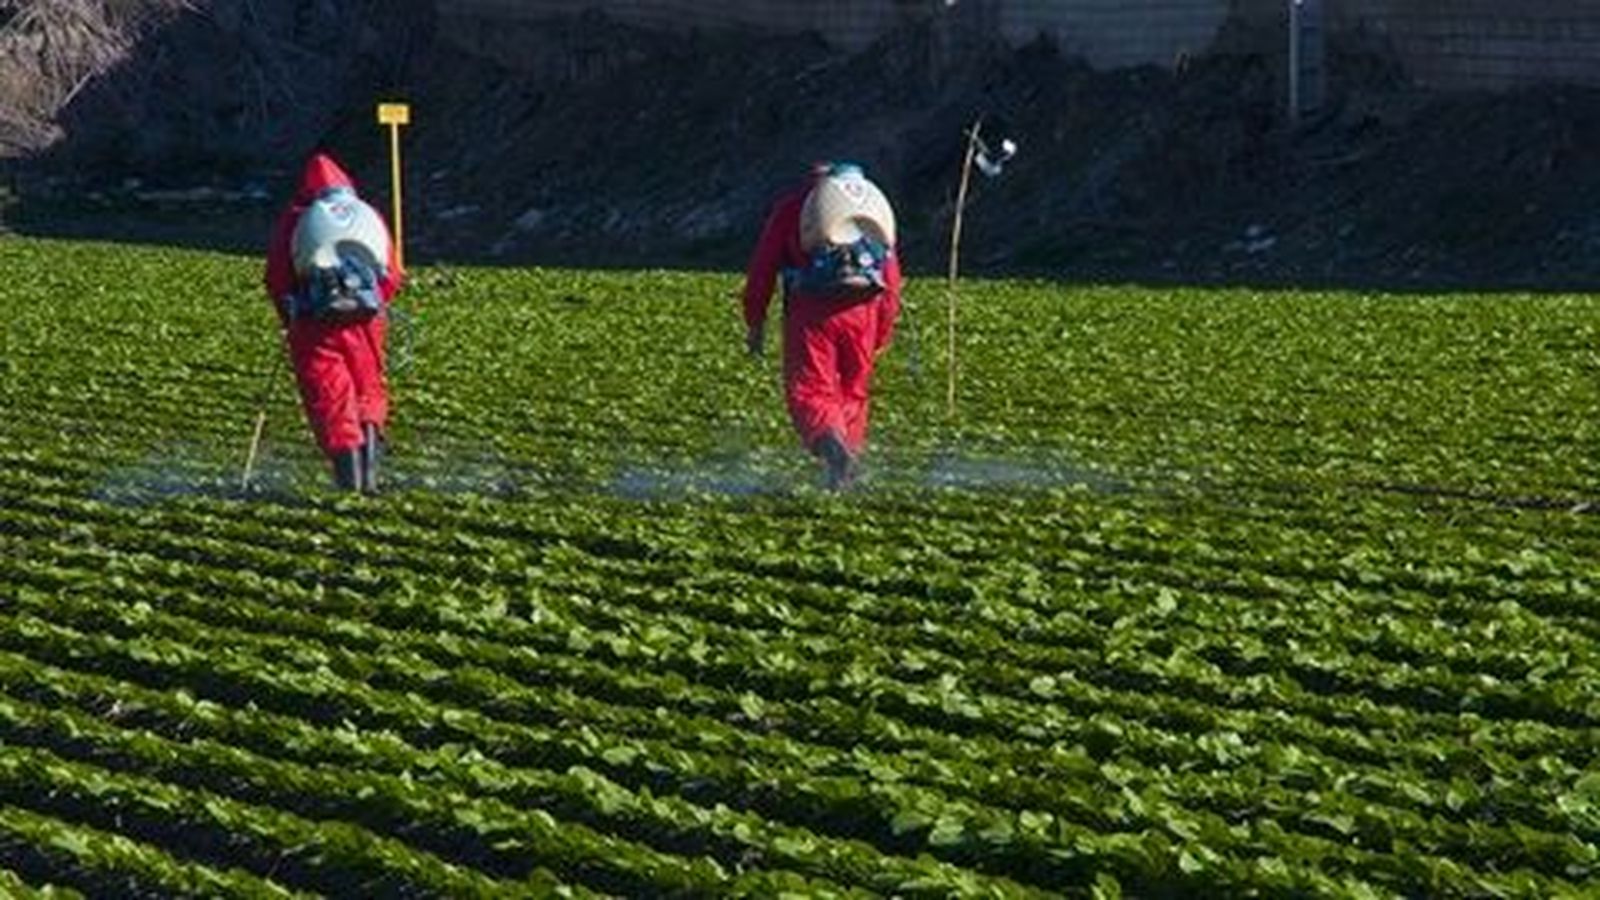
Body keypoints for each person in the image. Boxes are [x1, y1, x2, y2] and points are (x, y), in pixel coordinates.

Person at [742, 161, 902, 489]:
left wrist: (755, 321)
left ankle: (834, 451)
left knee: (811, 390)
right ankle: (843, 470)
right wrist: (882, 331)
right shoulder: (869, 207)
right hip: (865, 310)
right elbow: (891, 276)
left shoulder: (794, 207)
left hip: (812, 310)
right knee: (853, 392)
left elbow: (763, 266)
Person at [263, 152, 404, 493]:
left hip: (316, 324)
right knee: (367, 391)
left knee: (331, 397)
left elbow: (278, 278)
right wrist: (371, 306)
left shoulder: (298, 218)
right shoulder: (366, 215)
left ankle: (349, 487)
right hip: (367, 323)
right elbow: (393, 274)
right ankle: (369, 483)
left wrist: (291, 316)